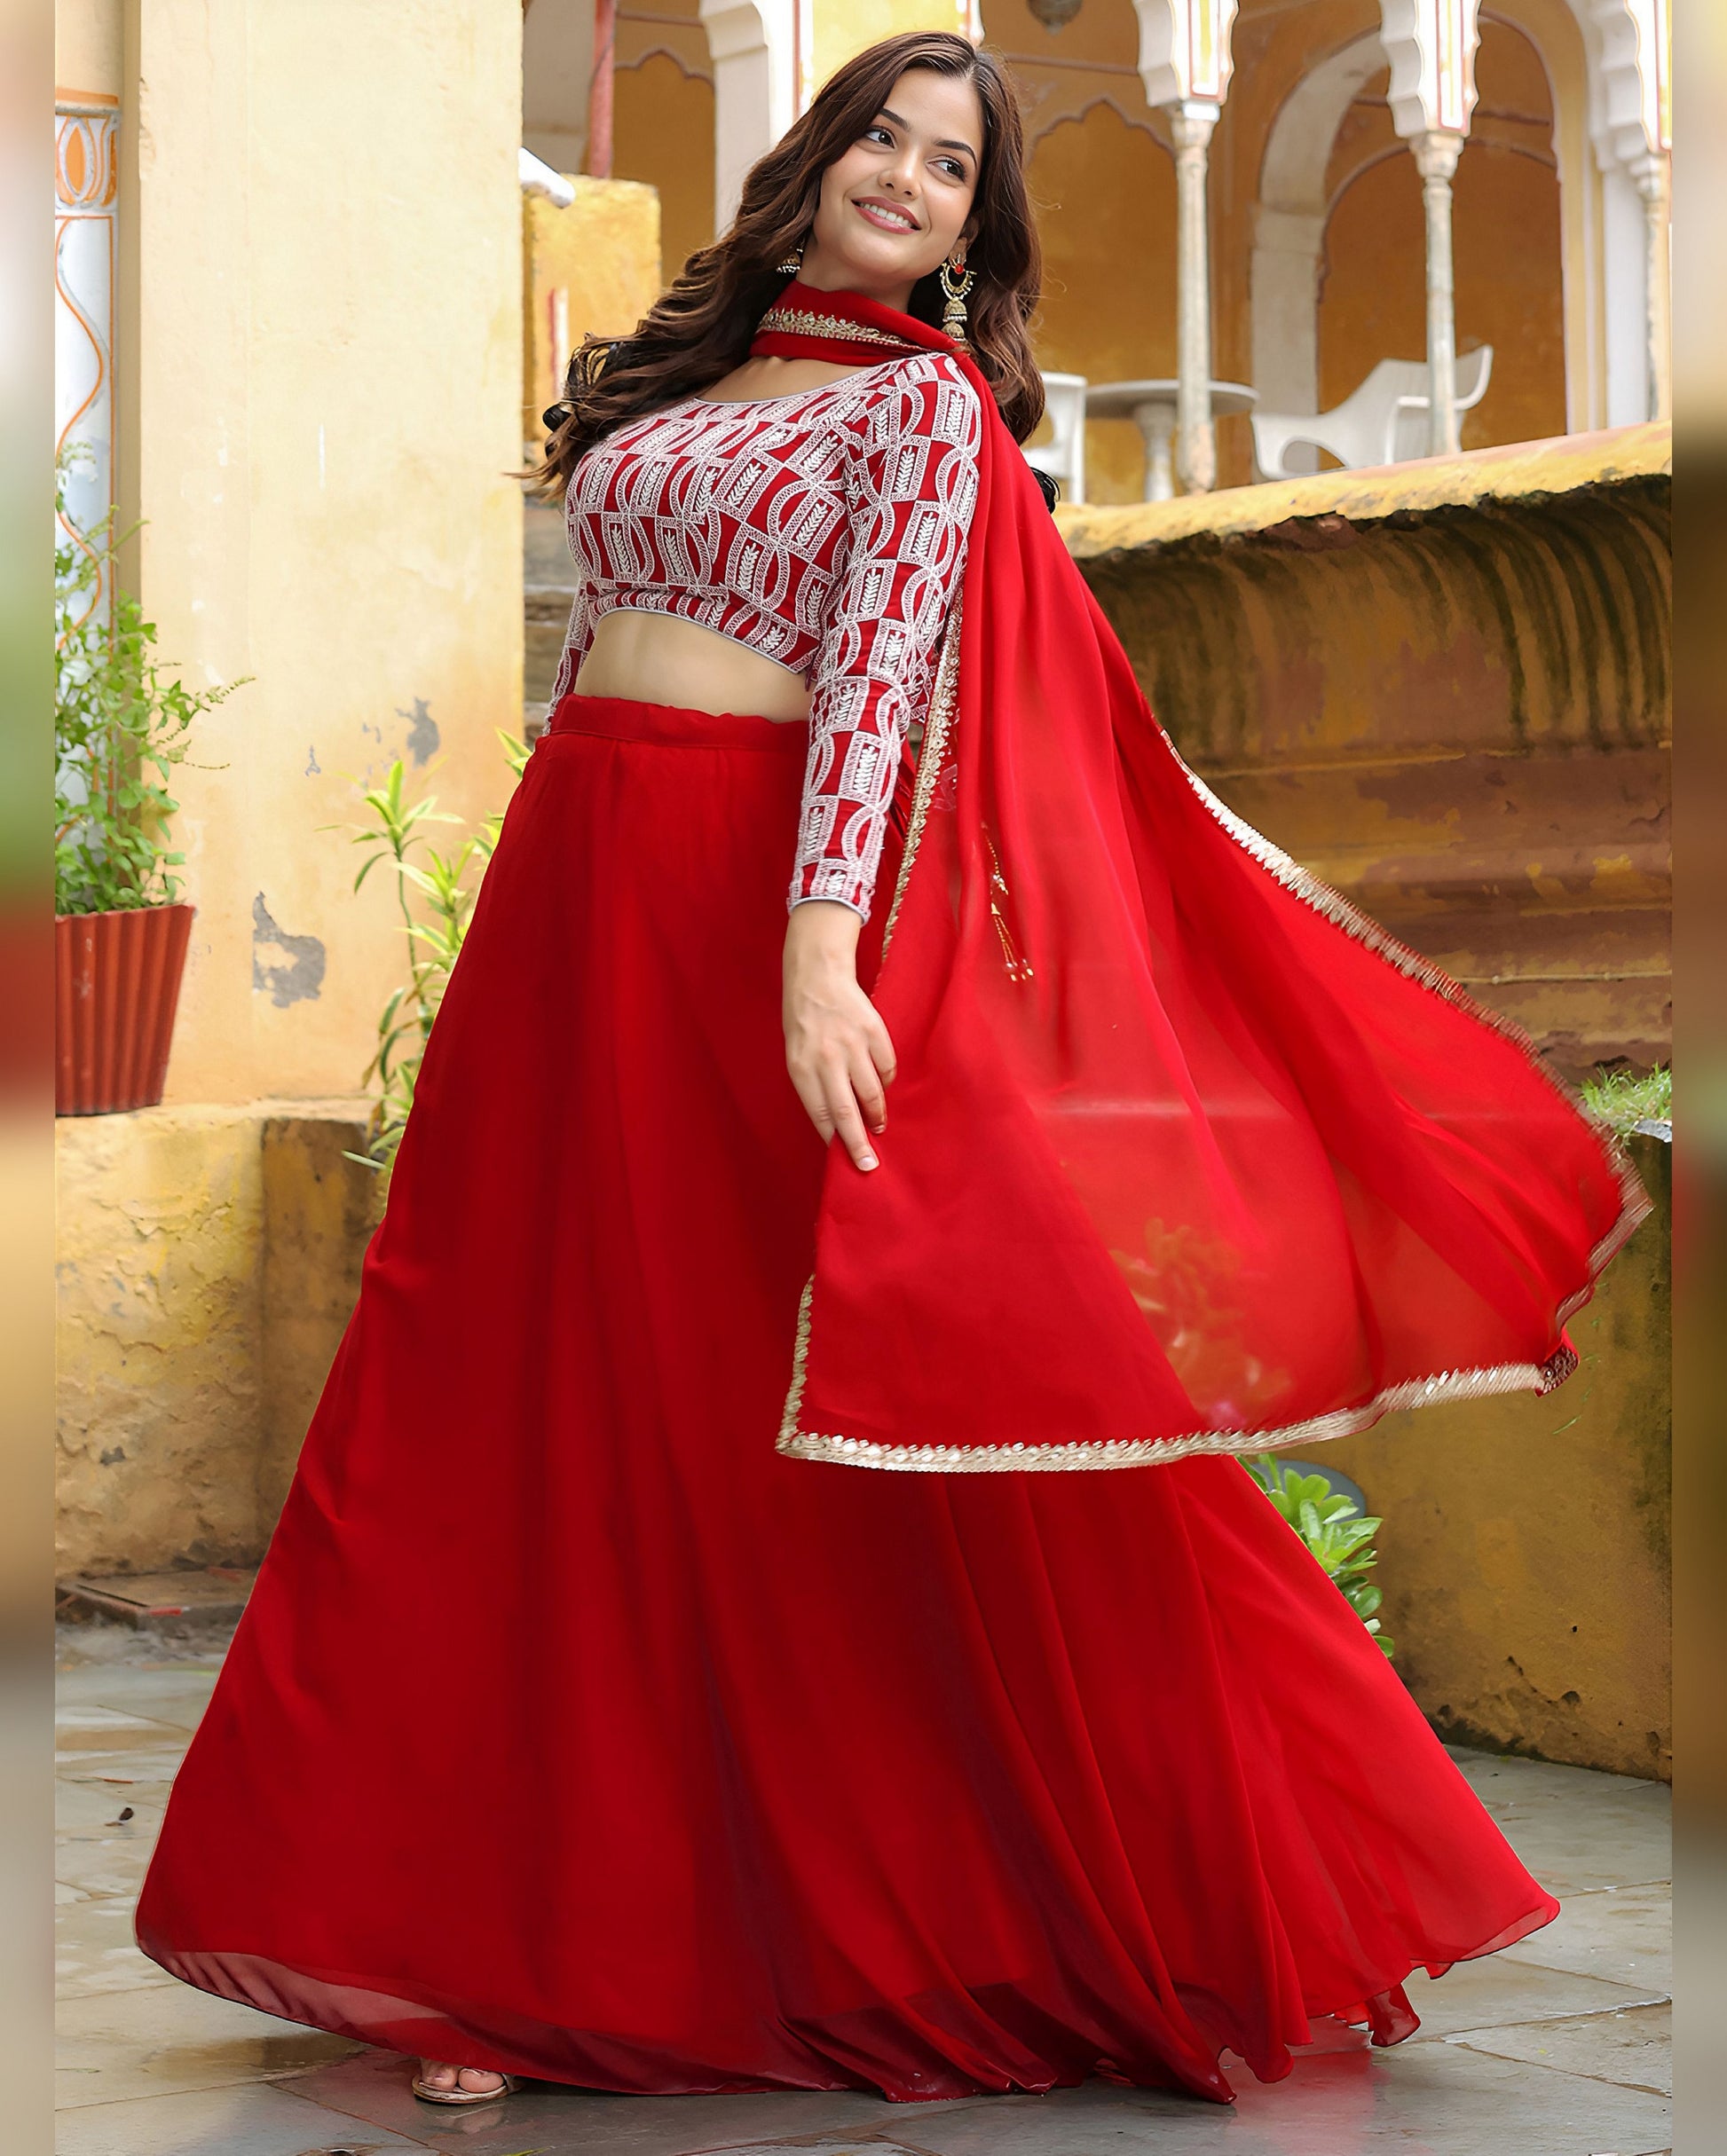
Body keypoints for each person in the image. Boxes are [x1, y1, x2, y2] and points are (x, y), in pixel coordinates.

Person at [137, 31, 1644, 2116]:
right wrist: (529, 887)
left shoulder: (924, 414)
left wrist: (821, 949)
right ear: (821, 154)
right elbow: (590, 648)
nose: (908, 176)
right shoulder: (684, 379)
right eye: (883, 136)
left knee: (784, 1405)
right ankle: (477, 1945)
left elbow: (878, 681)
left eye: (951, 164)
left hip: (750, 912)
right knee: (521, 1386)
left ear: (970, 232)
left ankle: (1040, 1899)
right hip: (576, 894)